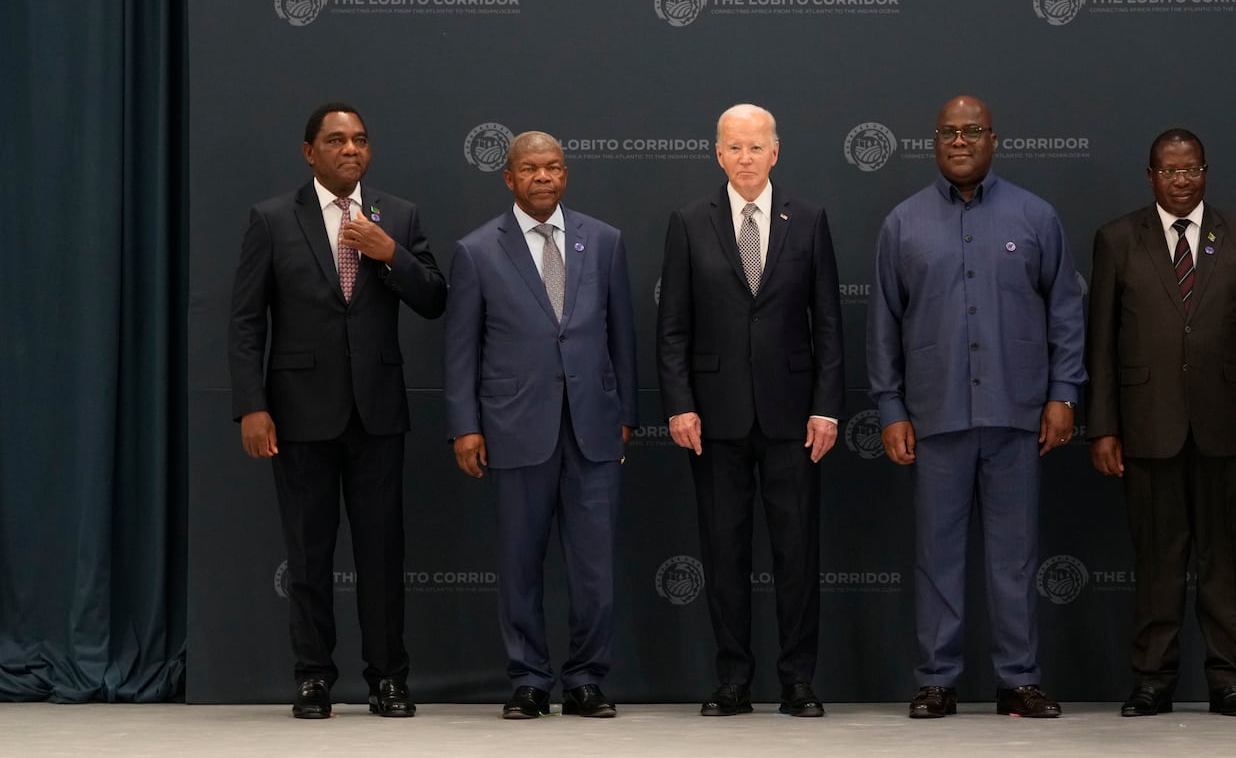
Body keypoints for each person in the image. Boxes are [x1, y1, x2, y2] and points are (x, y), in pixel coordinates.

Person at [867, 94, 1083, 720]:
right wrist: (889, 407)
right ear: (934, 142)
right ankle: (937, 679)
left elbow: (1066, 314)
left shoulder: (1035, 216)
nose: (960, 141)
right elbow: (883, 324)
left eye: (972, 131)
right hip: (935, 420)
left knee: (1014, 556)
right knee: (937, 555)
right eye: (948, 132)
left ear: (994, 139)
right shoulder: (903, 223)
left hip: (1017, 416)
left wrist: (1064, 394)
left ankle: (1019, 679)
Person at [228, 102, 447, 719]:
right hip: (297, 415)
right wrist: (253, 405)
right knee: (308, 550)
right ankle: (313, 677)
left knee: (382, 554)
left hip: (377, 415)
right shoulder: (272, 219)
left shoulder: (395, 216)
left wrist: (389, 252)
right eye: (335, 140)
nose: (350, 149)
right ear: (309, 151)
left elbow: (434, 298)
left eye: (359, 140)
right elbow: (246, 322)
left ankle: (388, 679)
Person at [1085, 128, 1236, 718]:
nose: (1181, 181)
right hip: (1147, 429)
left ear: (1207, 171)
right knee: (1157, 561)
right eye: (1170, 171)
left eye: (1191, 170)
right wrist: (1103, 428)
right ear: (1150, 175)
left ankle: (1230, 680)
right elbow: (1100, 345)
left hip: (1227, 427)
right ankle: (1152, 680)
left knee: (1224, 559)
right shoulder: (1118, 239)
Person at [657, 103, 844, 718]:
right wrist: (680, 407)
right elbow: (673, 331)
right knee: (724, 553)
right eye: (733, 148)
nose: (744, 158)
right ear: (717, 154)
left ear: (775, 151)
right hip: (714, 420)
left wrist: (827, 408)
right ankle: (733, 680)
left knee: (797, 556)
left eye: (755, 147)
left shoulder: (809, 218)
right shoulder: (688, 221)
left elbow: (830, 327)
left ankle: (797, 682)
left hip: (794, 419)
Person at [442, 132, 637, 720]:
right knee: (520, 563)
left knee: (594, 568)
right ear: (509, 179)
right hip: (513, 428)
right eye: (530, 169)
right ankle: (528, 678)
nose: (543, 178)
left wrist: (625, 412)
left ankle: (584, 678)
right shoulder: (477, 250)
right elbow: (460, 351)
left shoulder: (603, 241)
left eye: (553, 167)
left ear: (566, 174)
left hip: (593, 428)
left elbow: (621, 334)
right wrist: (464, 426)